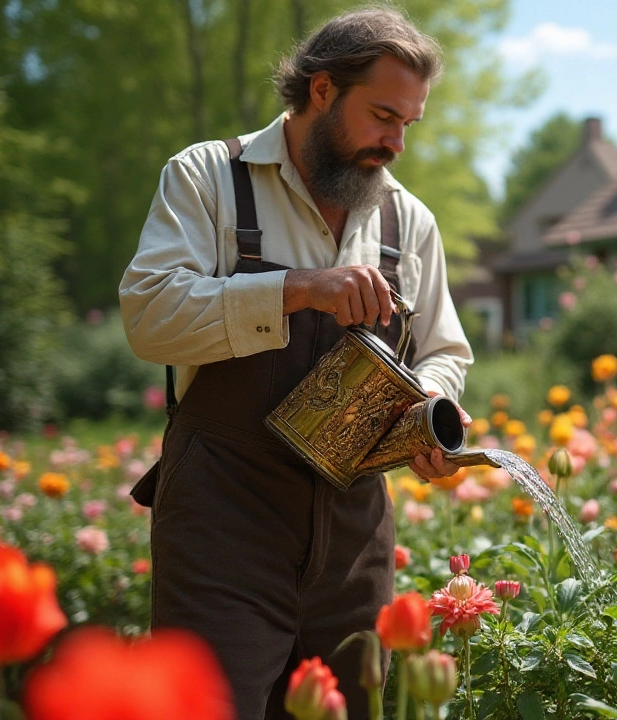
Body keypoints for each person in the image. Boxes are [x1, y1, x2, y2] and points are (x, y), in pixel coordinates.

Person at [117, 8, 473, 718]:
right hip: (222, 526)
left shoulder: (410, 221)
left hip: (354, 541)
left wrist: (430, 411)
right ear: (320, 90)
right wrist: (297, 289)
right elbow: (149, 315)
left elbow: (443, 350)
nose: (396, 142)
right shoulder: (209, 178)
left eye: (408, 123)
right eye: (381, 115)